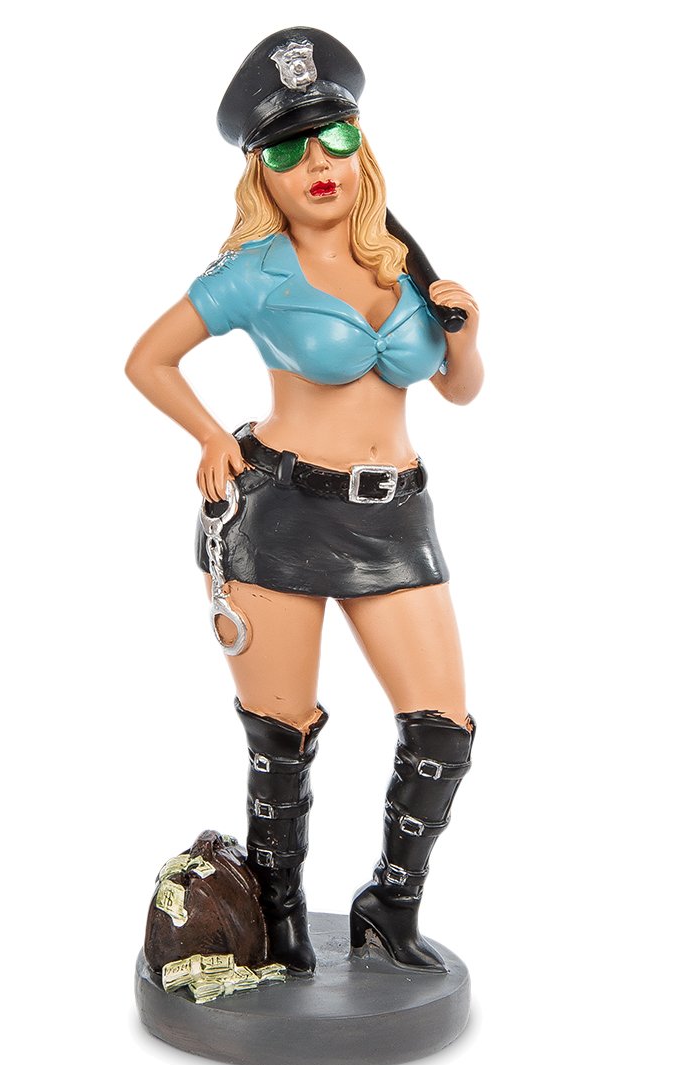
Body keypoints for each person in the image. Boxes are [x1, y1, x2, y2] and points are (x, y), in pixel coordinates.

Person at [125, 27, 483, 976]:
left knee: (443, 730)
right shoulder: (254, 271)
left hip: (396, 516)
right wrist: (211, 437)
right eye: (287, 151)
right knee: (280, 738)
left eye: (335, 139)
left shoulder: (400, 259)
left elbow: (458, 390)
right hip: (281, 514)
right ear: (261, 173)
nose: (316, 164)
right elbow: (148, 360)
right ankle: (279, 916)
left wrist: (466, 335)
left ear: (362, 146)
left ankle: (391, 903)